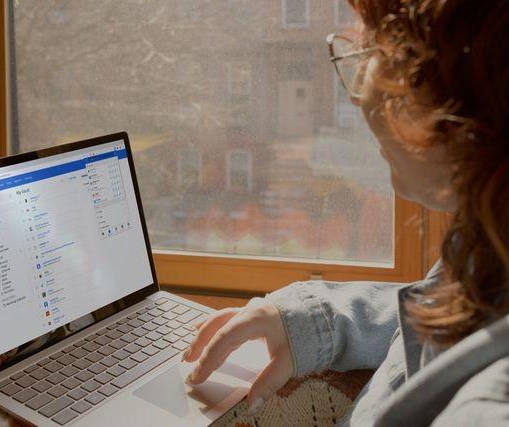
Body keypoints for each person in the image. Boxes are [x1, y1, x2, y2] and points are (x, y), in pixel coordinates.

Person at [183, 1, 509, 425]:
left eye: (375, 52)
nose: (357, 94)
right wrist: (312, 322)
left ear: (461, 104)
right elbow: (457, 325)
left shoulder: (486, 409)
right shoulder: (485, 247)